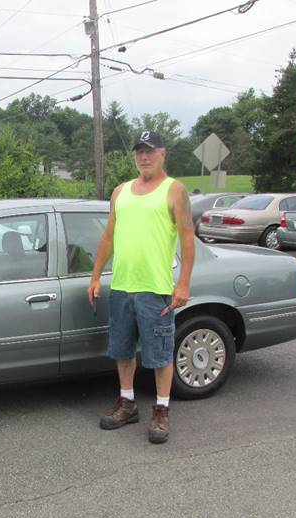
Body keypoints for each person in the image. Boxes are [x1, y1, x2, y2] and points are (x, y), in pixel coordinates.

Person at [87, 130, 195, 444]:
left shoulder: (174, 191)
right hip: (122, 286)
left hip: (156, 289)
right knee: (122, 351)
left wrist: (183, 284)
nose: (143, 157)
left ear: (163, 153)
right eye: (139, 152)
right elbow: (108, 237)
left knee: (160, 355)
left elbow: (188, 240)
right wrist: (95, 277)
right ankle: (127, 402)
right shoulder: (120, 191)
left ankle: (161, 410)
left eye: (149, 151)